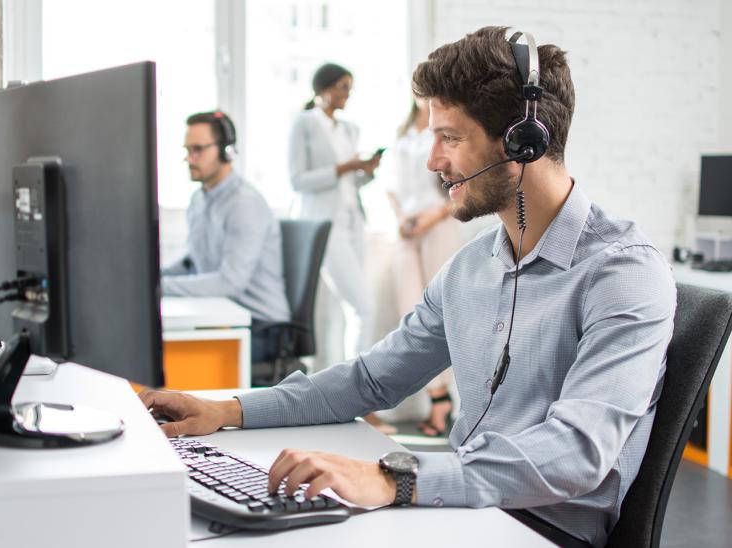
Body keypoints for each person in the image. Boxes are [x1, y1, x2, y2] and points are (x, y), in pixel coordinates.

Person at [141, 28, 676, 547]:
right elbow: (371, 381)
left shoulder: (623, 273)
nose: (432, 161)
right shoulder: (471, 268)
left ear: (522, 141)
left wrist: (394, 478)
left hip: (540, 530)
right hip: (459, 512)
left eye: (450, 137)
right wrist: (228, 411)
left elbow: (576, 454)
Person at [288, 63, 392, 433]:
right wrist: (346, 166)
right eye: (342, 87)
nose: (347, 94)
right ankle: (359, 399)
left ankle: (329, 401)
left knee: (337, 316)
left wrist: (366, 171)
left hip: (352, 223)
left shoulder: (349, 128)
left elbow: (352, 185)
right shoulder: (304, 123)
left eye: (350, 87)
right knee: (361, 307)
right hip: (323, 226)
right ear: (324, 88)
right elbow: (298, 180)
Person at [161, 110, 290, 363]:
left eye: (198, 149)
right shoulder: (199, 199)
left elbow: (230, 282)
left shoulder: (244, 204)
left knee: (173, 361)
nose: (190, 158)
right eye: (187, 150)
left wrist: (159, 289)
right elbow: (192, 261)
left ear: (226, 151)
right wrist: (153, 277)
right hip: (223, 317)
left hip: (261, 328)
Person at [387, 97, 462, 437]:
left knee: (441, 310)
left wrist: (432, 217)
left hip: (438, 222)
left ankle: (442, 401)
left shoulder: (445, 130)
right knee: (412, 314)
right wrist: (402, 218)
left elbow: (461, 179)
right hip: (409, 227)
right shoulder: (403, 131)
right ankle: (438, 395)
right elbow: (391, 185)